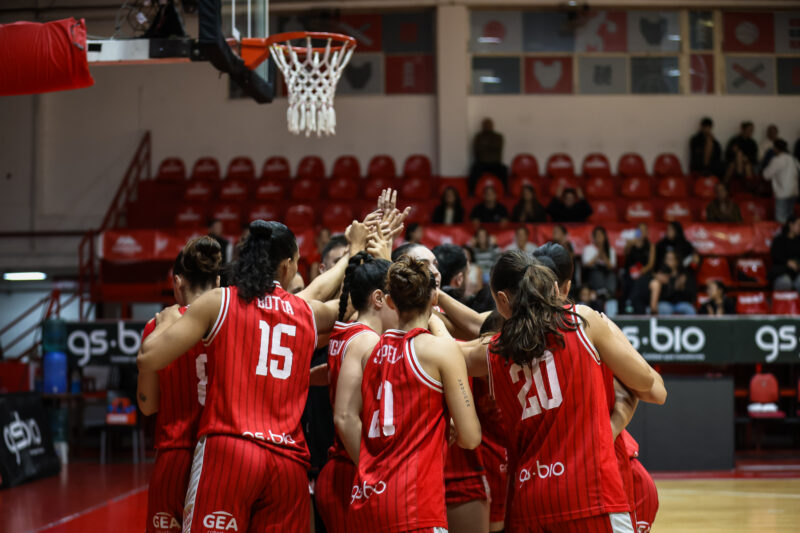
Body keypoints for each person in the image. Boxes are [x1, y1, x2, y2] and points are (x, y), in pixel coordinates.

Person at [138, 219, 369, 533]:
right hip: (288, 463)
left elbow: (148, 358)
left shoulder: (220, 302)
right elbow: (347, 303)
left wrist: (166, 319)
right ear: (286, 267)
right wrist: (357, 252)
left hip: (229, 451)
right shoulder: (304, 311)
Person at [459, 250, 666, 532]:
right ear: (555, 287)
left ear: (503, 301)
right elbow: (650, 386)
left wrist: (432, 309)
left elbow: (442, 351)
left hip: (529, 501)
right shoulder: (580, 322)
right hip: (592, 493)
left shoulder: (493, 351)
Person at [344, 256, 482, 532]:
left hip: (365, 498)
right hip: (413, 504)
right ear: (434, 299)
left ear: (391, 301)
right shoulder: (439, 350)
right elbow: (470, 438)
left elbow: (348, 417)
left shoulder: (369, 351)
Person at [137, 237, 221, 533]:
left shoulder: (157, 326)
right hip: (219, 457)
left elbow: (147, 405)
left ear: (177, 281)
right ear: (219, 281)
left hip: (174, 456)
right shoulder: (229, 321)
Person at [317, 253, 393, 533]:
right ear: (378, 299)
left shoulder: (343, 332)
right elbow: (346, 417)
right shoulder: (369, 341)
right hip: (352, 473)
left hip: (340, 469)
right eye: (395, 297)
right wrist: (373, 472)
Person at [621, 223, 655, 314]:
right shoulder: (631, 243)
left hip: (644, 273)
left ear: (647, 232)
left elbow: (650, 264)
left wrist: (640, 272)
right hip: (630, 273)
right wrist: (630, 244)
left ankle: (630, 302)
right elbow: (625, 254)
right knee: (627, 281)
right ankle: (628, 305)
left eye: (644, 230)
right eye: (640, 230)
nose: (642, 232)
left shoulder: (650, 246)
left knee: (639, 283)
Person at [763, 139, 800, 223]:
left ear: (775, 148)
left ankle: (785, 234)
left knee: (781, 219)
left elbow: (766, 175)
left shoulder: (777, 160)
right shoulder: (793, 159)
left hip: (782, 193)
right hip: (794, 191)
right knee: (790, 218)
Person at [649, 251, 697, 315]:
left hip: (681, 303)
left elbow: (691, 295)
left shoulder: (684, 275)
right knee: (664, 307)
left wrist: (682, 288)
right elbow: (659, 296)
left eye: (671, 259)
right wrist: (673, 288)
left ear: (676, 261)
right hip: (666, 303)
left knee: (689, 308)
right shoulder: (662, 274)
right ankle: (664, 325)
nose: (668, 262)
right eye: (667, 259)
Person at [469, 118, 508, 195]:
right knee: (474, 170)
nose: (487, 126)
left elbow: (497, 147)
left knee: (504, 169)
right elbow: (478, 149)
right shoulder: (478, 136)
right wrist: (490, 147)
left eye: (489, 125)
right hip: (481, 163)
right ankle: (472, 193)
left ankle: (505, 192)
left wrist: (485, 146)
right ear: (482, 126)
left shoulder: (498, 136)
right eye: (485, 125)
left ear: (492, 126)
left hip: (495, 163)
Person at [582, 226, 618, 299]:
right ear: (594, 237)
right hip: (593, 273)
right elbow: (586, 265)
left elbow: (612, 267)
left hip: (607, 273)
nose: (599, 238)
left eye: (601, 235)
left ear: (604, 237)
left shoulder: (611, 250)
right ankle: (600, 293)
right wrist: (598, 255)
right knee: (597, 273)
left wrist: (604, 256)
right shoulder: (588, 248)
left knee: (612, 276)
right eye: (597, 236)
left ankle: (608, 293)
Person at [770, 215, 800, 292]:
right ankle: (783, 303)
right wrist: (787, 262)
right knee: (785, 282)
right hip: (782, 271)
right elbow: (776, 256)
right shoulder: (779, 240)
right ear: (790, 225)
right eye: (799, 225)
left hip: (797, 272)